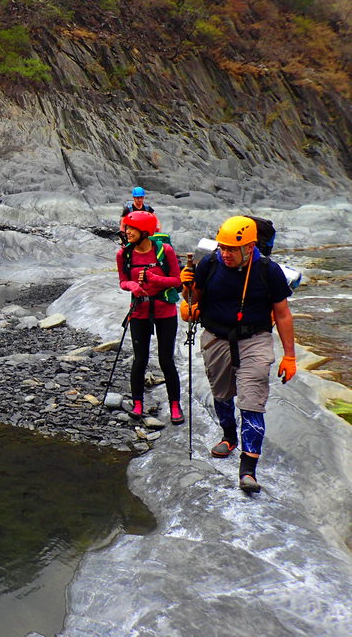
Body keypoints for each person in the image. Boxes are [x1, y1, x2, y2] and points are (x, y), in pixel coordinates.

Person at [180, 215, 296, 493]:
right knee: (222, 393)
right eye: (222, 247)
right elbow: (192, 302)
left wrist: (289, 356)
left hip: (255, 339)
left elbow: (282, 314)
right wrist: (186, 286)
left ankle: (248, 470)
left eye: (232, 249)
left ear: (250, 246)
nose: (225, 253)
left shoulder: (268, 271)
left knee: (251, 401)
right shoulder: (210, 263)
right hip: (216, 337)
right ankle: (229, 436)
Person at [116, 210, 184, 424]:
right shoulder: (124, 254)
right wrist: (133, 285)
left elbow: (177, 281)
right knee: (140, 359)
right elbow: (122, 281)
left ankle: (175, 405)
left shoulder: (165, 251)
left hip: (165, 311)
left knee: (166, 360)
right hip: (139, 312)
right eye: (126, 228)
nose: (126, 232)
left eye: (131, 228)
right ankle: (137, 402)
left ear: (144, 231)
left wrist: (154, 279)